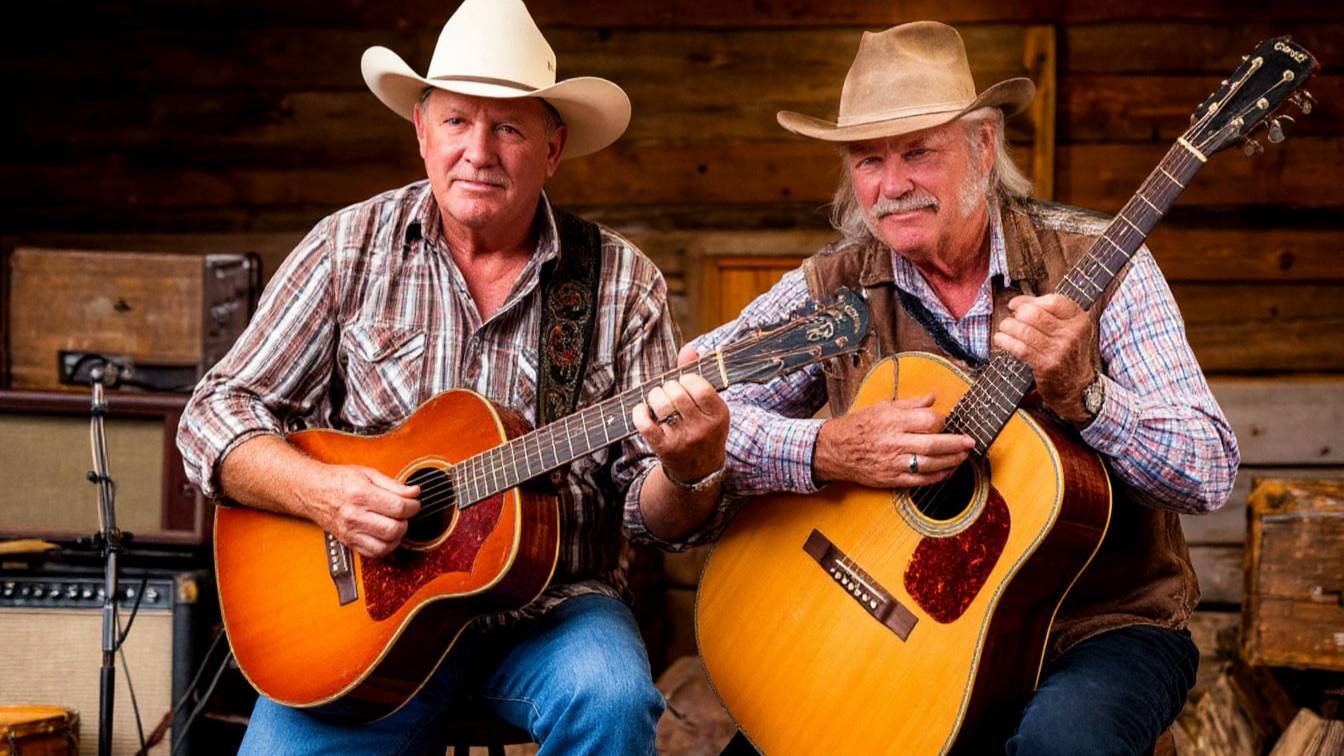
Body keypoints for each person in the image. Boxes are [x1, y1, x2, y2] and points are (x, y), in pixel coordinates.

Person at [176, 1, 729, 753]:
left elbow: (649, 516)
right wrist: (322, 493)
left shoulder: (621, 283)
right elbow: (213, 412)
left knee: (612, 697)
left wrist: (689, 470)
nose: (478, 151)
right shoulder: (349, 247)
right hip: (360, 624)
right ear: (421, 131)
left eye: (509, 129)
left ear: (553, 148)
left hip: (553, 610)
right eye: (457, 122)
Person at [689, 21, 1240, 755]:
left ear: (984, 145)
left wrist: (1090, 398)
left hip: (1097, 628)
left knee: (1061, 747)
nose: (892, 186)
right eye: (869, 159)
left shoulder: (1105, 264)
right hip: (904, 631)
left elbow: (1207, 471)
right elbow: (693, 403)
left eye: (918, 151)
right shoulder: (832, 287)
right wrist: (825, 448)